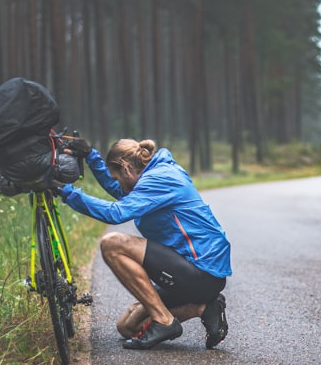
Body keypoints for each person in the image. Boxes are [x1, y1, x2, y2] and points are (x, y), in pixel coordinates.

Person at [54, 137, 231, 350]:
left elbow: (116, 212)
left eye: (117, 176)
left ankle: (165, 321)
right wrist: (91, 156)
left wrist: (66, 192)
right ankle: (204, 308)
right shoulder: (151, 177)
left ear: (127, 168)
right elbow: (121, 191)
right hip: (184, 271)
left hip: (201, 271)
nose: (117, 183)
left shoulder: (161, 179)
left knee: (112, 243)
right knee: (127, 327)